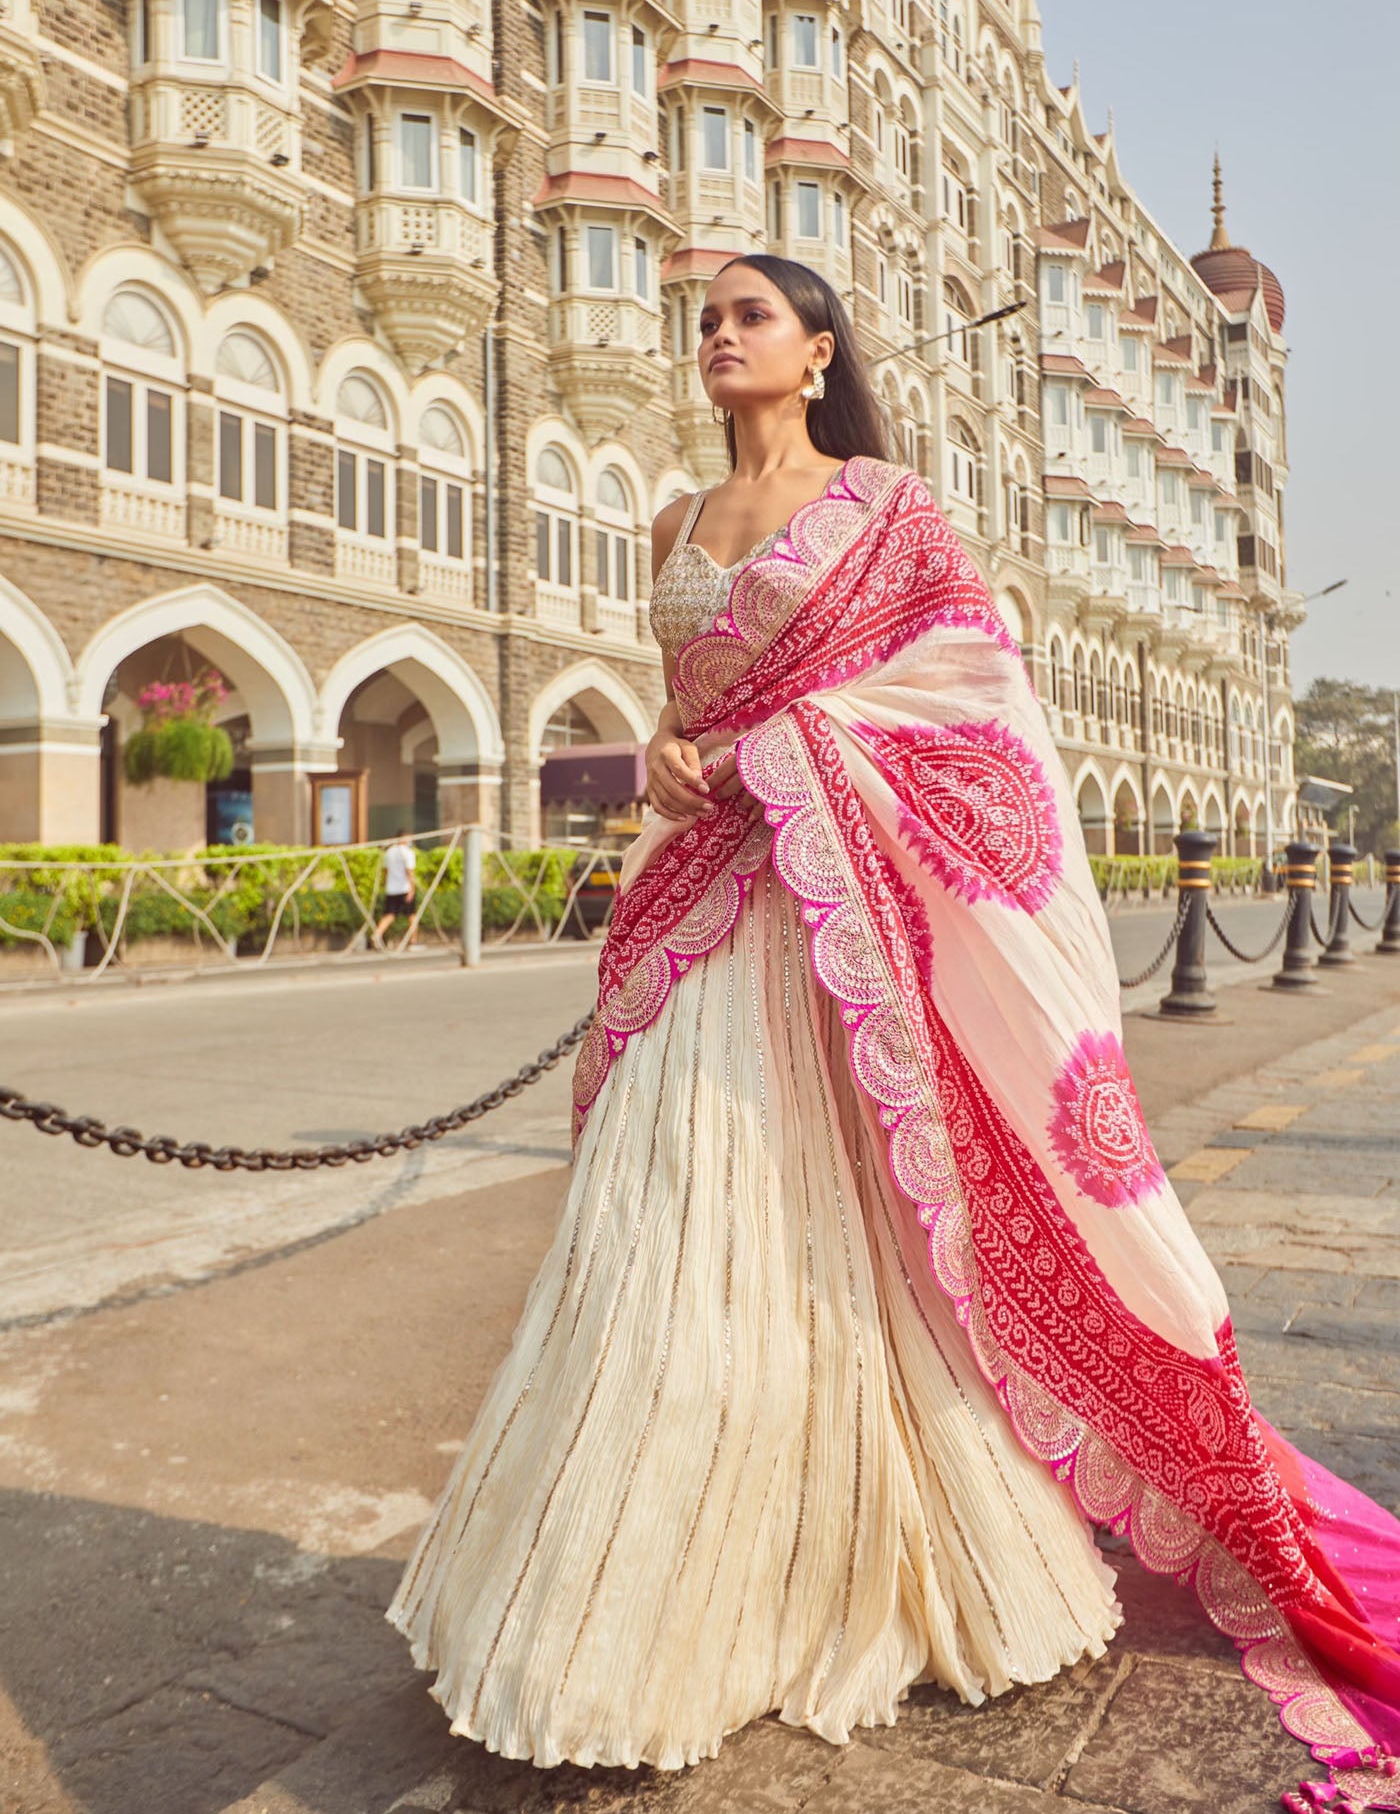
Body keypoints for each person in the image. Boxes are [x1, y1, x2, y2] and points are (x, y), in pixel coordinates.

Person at [386, 257, 1400, 1807]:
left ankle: (866, 1567)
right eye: (707, 319)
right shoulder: (669, 522)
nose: (720, 336)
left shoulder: (887, 505)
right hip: (706, 914)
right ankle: (618, 1605)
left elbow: (971, 698)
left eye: (751, 316)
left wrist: (772, 750)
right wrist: (664, 752)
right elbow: (683, 706)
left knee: (838, 1254)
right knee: (654, 1236)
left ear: (818, 352)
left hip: (839, 928)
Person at [375, 828, 417, 948]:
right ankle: (413, 942)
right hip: (404, 888)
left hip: (391, 889)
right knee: (412, 915)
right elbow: (410, 872)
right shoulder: (408, 853)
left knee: (389, 914)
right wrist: (412, 889)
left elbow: (386, 871)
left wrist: (386, 884)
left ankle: (376, 935)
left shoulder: (389, 852)